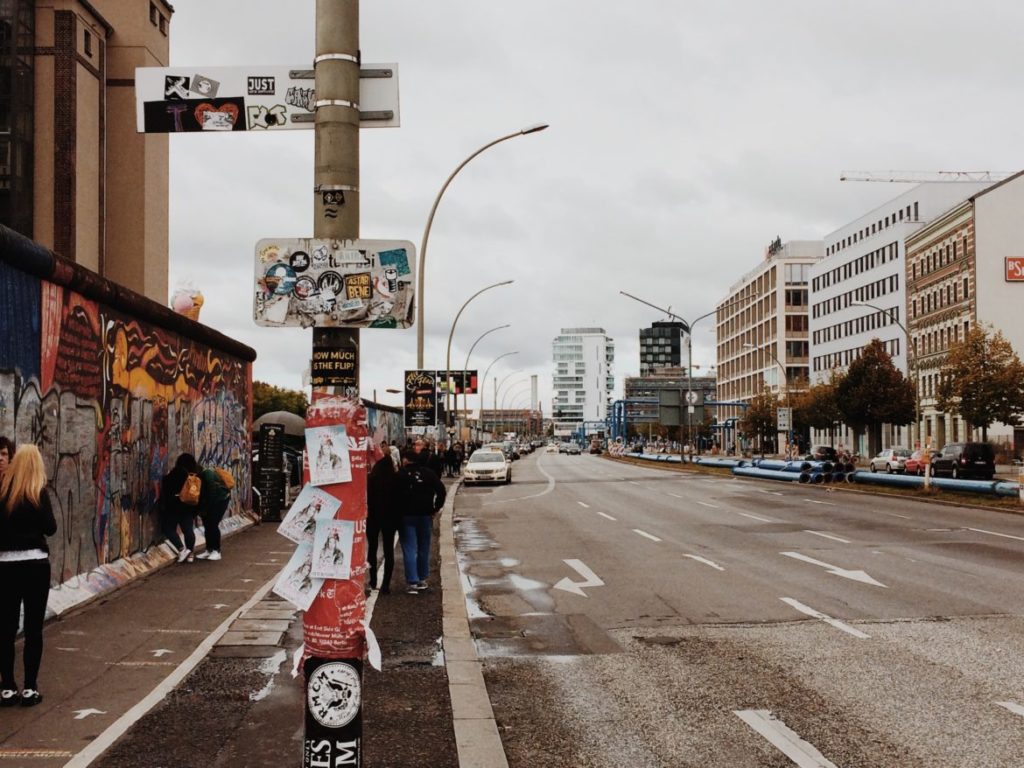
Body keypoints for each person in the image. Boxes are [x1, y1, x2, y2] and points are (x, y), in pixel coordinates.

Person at [0, 444, 57, 707]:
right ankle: (30, 688)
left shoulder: (3, 493)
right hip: (35, 564)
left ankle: (8, 687)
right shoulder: (38, 493)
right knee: (34, 628)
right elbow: (51, 527)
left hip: (6, 566)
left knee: (6, 628)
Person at [396, 447, 445, 594]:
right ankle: (422, 578)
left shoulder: (400, 475)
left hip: (406, 516)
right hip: (425, 515)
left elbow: (392, 496)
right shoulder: (428, 473)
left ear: (405, 460)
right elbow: (441, 490)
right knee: (424, 547)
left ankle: (412, 581)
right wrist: (436, 508)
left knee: (409, 548)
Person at [366, 446, 401, 594]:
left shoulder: (371, 479)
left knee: (372, 548)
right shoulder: (396, 479)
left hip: (373, 517)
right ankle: (386, 584)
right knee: (388, 550)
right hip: (390, 518)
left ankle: (373, 580)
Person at [160, 453, 201, 563]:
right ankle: (191, 553)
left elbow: (166, 487)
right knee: (188, 530)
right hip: (188, 507)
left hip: (173, 506)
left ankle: (181, 549)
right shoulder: (192, 477)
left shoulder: (174, 474)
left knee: (168, 528)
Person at [196, 466, 232, 561]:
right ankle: (209, 549)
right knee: (207, 525)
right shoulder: (201, 476)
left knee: (213, 524)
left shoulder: (207, 474)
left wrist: (207, 508)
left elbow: (211, 492)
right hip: (212, 501)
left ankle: (216, 551)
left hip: (221, 500)